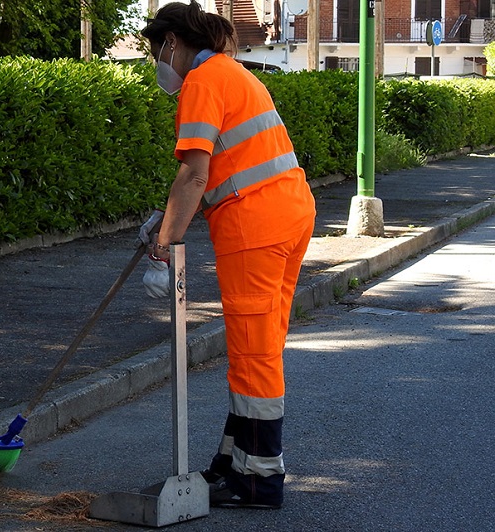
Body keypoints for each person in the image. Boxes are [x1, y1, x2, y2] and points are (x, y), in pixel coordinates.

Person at [137, 1, 316, 509]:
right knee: (263, 344)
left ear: (172, 41)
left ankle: (259, 478)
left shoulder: (201, 83)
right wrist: (165, 218)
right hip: (290, 212)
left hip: (254, 225)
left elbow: (194, 173)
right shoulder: (232, 73)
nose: (158, 61)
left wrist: (163, 248)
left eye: (157, 49)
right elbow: (219, 168)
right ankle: (234, 460)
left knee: (253, 352)